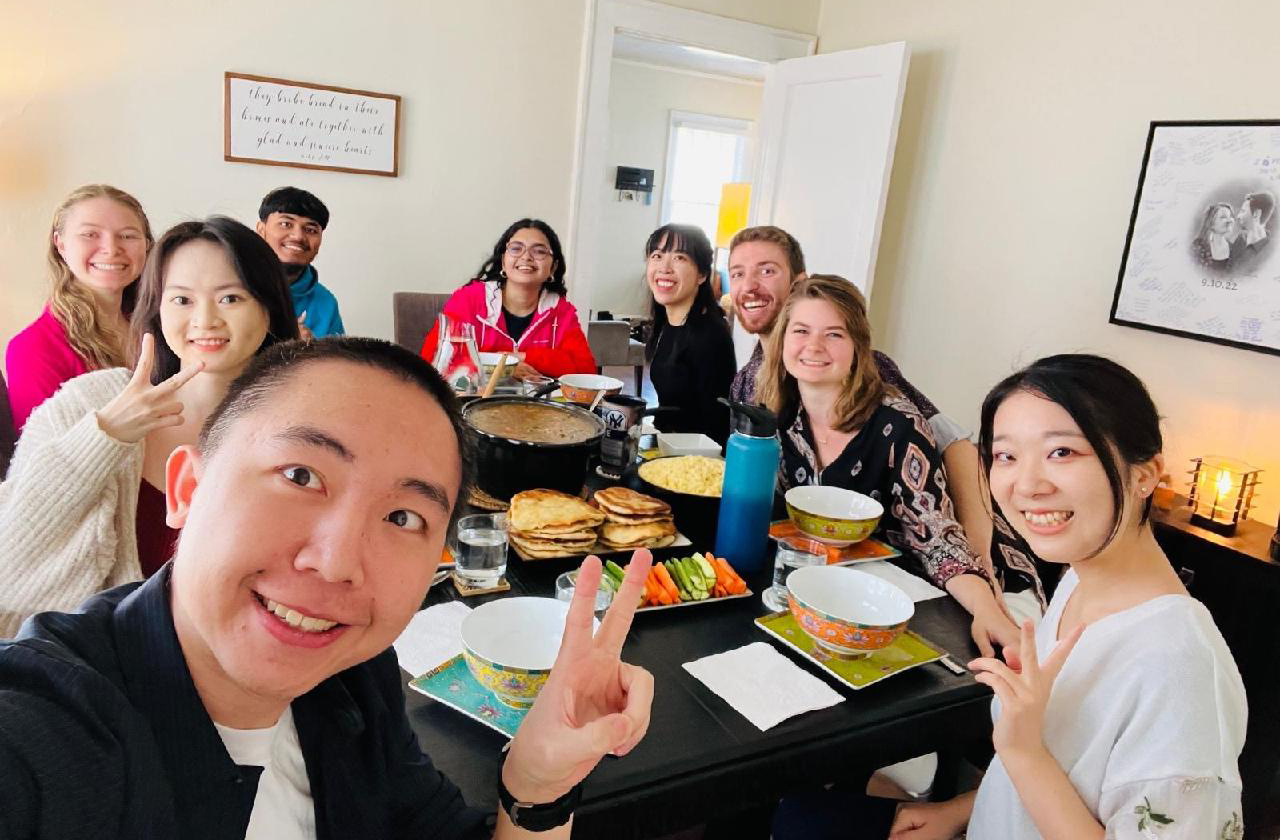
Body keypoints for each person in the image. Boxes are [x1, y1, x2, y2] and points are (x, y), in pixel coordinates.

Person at [0, 337, 655, 839]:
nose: (339, 561)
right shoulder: (50, 730)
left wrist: (535, 787)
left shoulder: (354, 683)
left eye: (403, 517)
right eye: (299, 475)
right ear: (188, 490)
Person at [881, 354, 1248, 839]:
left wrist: (1022, 752)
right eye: (1007, 456)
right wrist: (962, 811)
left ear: (1145, 474)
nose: (1027, 484)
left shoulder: (1180, 670)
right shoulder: (1080, 578)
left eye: (1062, 453)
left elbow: (1034, 750)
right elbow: (1072, 766)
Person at [730, 226, 1044, 627]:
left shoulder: (891, 410)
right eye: (738, 273)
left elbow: (950, 463)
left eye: (767, 270)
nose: (814, 346)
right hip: (844, 580)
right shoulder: (766, 398)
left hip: (944, 574)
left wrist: (979, 560)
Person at [0, 217, 298, 637]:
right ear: (156, 310)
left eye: (230, 298)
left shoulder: (300, 429)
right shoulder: (90, 402)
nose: (205, 320)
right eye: (181, 300)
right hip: (87, 662)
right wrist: (103, 437)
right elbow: (10, 558)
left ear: (268, 308)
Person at [757, 276, 1020, 655]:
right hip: (820, 590)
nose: (814, 346)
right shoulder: (775, 418)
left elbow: (936, 535)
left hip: (909, 591)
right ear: (782, 340)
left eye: (834, 334)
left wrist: (987, 608)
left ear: (858, 348)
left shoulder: (897, 425)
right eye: (801, 330)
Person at [6, 184, 153, 433]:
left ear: (147, 245)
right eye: (90, 234)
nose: (111, 248)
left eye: (128, 235)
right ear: (60, 244)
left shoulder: (161, 324)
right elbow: (39, 460)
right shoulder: (32, 348)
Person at [420, 218, 596, 381]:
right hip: (472, 404)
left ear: (553, 268)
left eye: (539, 251)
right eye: (516, 248)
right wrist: (503, 367)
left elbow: (586, 372)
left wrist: (522, 356)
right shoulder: (468, 300)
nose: (526, 256)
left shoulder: (561, 311)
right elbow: (434, 360)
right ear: (504, 261)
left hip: (538, 409)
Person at [643, 223, 736, 445]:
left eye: (679, 258)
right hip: (667, 446)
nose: (664, 267)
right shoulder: (667, 325)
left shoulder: (710, 335)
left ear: (702, 274)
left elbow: (715, 425)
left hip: (695, 462)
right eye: (657, 255)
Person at [256, 186, 344, 339]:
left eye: (310, 229)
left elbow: (340, 362)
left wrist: (310, 353)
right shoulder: (232, 285)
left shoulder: (325, 302)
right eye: (286, 224)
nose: (298, 236)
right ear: (261, 230)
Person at [1190, 202, 1238, 270]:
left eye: (1230, 216)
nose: (1229, 220)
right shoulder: (1199, 246)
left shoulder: (1233, 249)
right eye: (1223, 217)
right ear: (1211, 223)